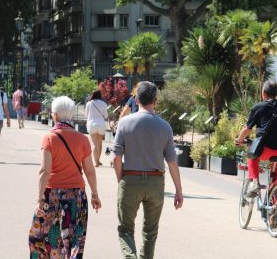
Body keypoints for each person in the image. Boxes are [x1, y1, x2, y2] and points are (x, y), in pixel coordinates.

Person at [112, 81, 183, 259]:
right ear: (156, 101)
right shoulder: (165, 126)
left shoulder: (124, 123)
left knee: (126, 229)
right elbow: (172, 161)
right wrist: (178, 191)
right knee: (150, 233)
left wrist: (121, 179)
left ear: (136, 100)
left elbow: (116, 157)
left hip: (130, 178)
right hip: (156, 182)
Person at [29, 96, 101, 258]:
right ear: (71, 116)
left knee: (42, 238)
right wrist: (95, 194)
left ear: (55, 115)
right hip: (77, 197)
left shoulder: (50, 138)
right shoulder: (83, 139)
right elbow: (90, 171)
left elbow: (44, 171)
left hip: (52, 196)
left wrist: (39, 198)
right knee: (73, 239)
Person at [235, 80, 277, 196]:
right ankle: (276, 199)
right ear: (276, 93)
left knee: (251, 156)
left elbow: (248, 129)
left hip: (266, 150)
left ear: (263, 93)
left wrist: (239, 140)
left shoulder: (259, 107)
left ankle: (255, 183)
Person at [85, 90, 108, 167]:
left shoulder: (89, 103)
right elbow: (106, 116)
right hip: (101, 124)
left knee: (95, 144)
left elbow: (86, 114)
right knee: (100, 143)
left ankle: (96, 162)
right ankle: (98, 160)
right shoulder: (104, 104)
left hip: (92, 124)